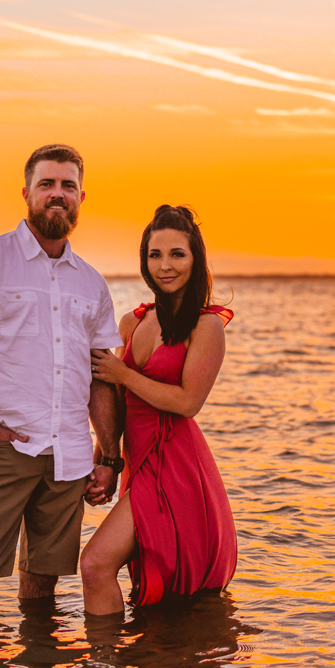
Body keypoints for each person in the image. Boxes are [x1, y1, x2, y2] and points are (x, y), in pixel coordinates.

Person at [0, 144, 124, 608]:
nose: (57, 194)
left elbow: (102, 376)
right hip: (6, 450)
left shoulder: (91, 281)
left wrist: (109, 455)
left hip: (69, 458)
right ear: (26, 193)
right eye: (47, 184)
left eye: (67, 186)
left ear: (81, 197)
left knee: (42, 591)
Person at [80, 205, 236, 615]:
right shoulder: (133, 322)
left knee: (95, 564)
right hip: (137, 458)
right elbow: (113, 398)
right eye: (155, 255)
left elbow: (188, 403)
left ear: (195, 259)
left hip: (176, 464)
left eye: (177, 254)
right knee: (153, 596)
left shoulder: (208, 326)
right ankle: (133, 667)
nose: (165, 266)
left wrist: (124, 374)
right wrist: (106, 462)